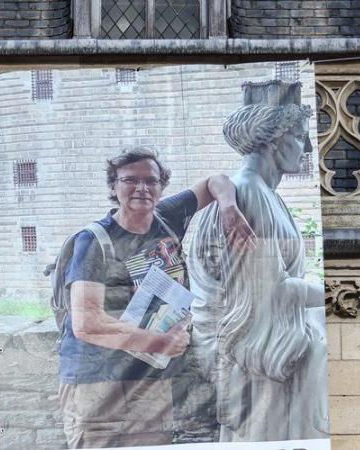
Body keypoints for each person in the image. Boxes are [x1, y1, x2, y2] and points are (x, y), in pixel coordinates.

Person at [59, 147, 255, 449]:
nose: (142, 188)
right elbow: (87, 324)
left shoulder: (169, 217)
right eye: (130, 180)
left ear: (162, 186)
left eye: (151, 181)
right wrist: (159, 342)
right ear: (113, 186)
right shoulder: (94, 240)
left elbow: (217, 180)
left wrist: (228, 208)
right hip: (96, 382)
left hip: (151, 378)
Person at [188, 102, 329, 442]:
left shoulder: (258, 193)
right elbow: (267, 293)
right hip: (259, 354)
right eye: (299, 137)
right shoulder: (251, 194)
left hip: (266, 342)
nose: (307, 147)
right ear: (273, 142)